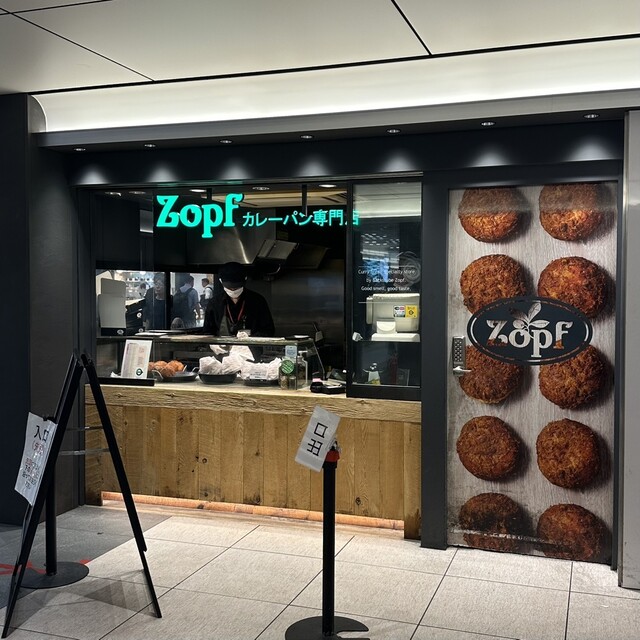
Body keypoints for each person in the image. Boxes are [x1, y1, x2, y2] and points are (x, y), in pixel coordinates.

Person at [203, 262, 275, 337]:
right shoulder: (214, 303)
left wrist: (252, 337)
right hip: (222, 344)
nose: (233, 290)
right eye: (229, 288)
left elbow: (268, 330)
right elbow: (208, 332)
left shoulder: (257, 301)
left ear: (245, 279)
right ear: (221, 281)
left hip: (251, 344)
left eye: (237, 287)